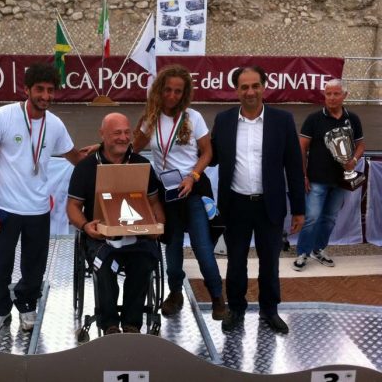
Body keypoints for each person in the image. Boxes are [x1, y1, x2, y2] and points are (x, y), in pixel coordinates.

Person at [0, 62, 84, 335]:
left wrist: (104, 153)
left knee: (34, 266)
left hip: (38, 209)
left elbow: (76, 159)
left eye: (50, 90)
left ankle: (27, 305)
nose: (46, 96)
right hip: (4, 207)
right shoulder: (1, 117)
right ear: (26, 89)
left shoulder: (55, 124)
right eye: (40, 89)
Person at [211, 66, 305, 334]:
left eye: (255, 86)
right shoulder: (224, 120)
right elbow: (212, 156)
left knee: (270, 262)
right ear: (236, 90)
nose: (250, 92)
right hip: (235, 204)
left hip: (269, 205)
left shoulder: (282, 120)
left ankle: (269, 310)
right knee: (236, 261)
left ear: (264, 87)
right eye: (244, 87)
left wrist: (299, 209)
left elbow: (293, 166)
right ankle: (236, 309)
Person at [132, 65, 225, 320]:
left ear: (184, 94)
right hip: (166, 193)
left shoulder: (193, 117)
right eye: (167, 90)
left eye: (177, 91)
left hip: (192, 189)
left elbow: (207, 152)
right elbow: (131, 149)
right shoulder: (150, 118)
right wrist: (103, 147)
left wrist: (192, 176)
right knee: (172, 251)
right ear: (159, 90)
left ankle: (218, 297)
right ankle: (175, 294)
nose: (172, 96)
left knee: (202, 248)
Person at [67, 113, 165, 335]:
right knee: (104, 266)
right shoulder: (85, 167)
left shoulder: (142, 164)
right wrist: (85, 226)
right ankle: (109, 325)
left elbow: (154, 203)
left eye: (127, 132)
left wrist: (159, 225)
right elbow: (73, 207)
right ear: (102, 134)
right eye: (117, 133)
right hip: (101, 237)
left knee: (144, 263)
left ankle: (132, 325)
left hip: (138, 236)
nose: (123, 137)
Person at [292, 79, 365, 271]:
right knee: (312, 217)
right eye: (328, 94)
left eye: (336, 94)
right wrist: (303, 174)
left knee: (330, 218)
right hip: (316, 179)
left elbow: (360, 145)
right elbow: (301, 147)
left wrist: (354, 160)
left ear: (345, 95)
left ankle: (319, 249)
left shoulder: (353, 118)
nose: (331, 97)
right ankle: (303, 252)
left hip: (341, 180)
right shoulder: (314, 119)